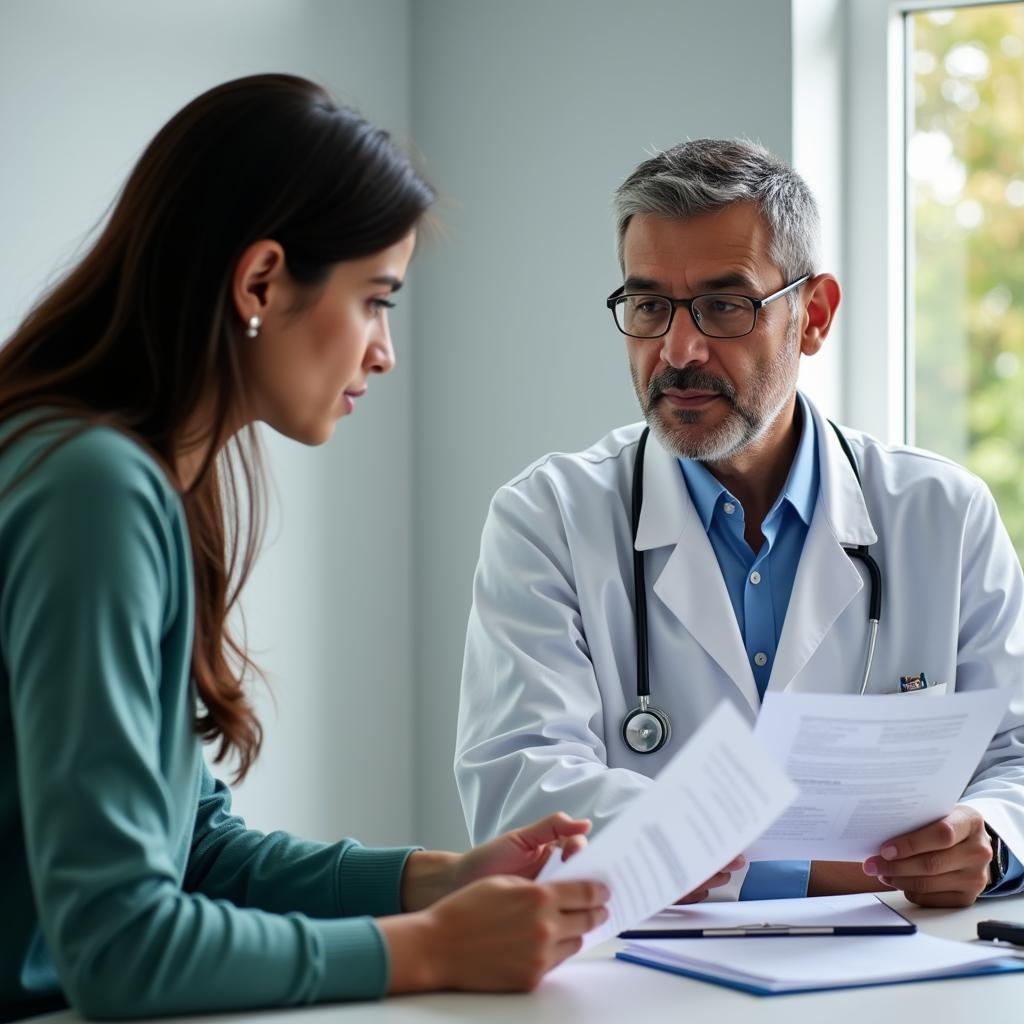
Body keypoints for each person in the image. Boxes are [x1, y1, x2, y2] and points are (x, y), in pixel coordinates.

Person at [0, 74, 609, 1023]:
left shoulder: (121, 476)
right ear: (261, 281)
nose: (383, 351)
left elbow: (195, 852)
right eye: (376, 299)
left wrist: (439, 881)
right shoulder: (93, 490)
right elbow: (120, 944)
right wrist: (434, 951)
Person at [455, 138, 1024, 908]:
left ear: (813, 316)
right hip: (641, 979)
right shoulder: (549, 518)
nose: (677, 350)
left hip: (901, 973)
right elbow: (525, 800)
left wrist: (986, 837)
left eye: (725, 306)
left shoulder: (940, 514)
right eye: (649, 306)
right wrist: (812, 870)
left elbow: (1015, 755)